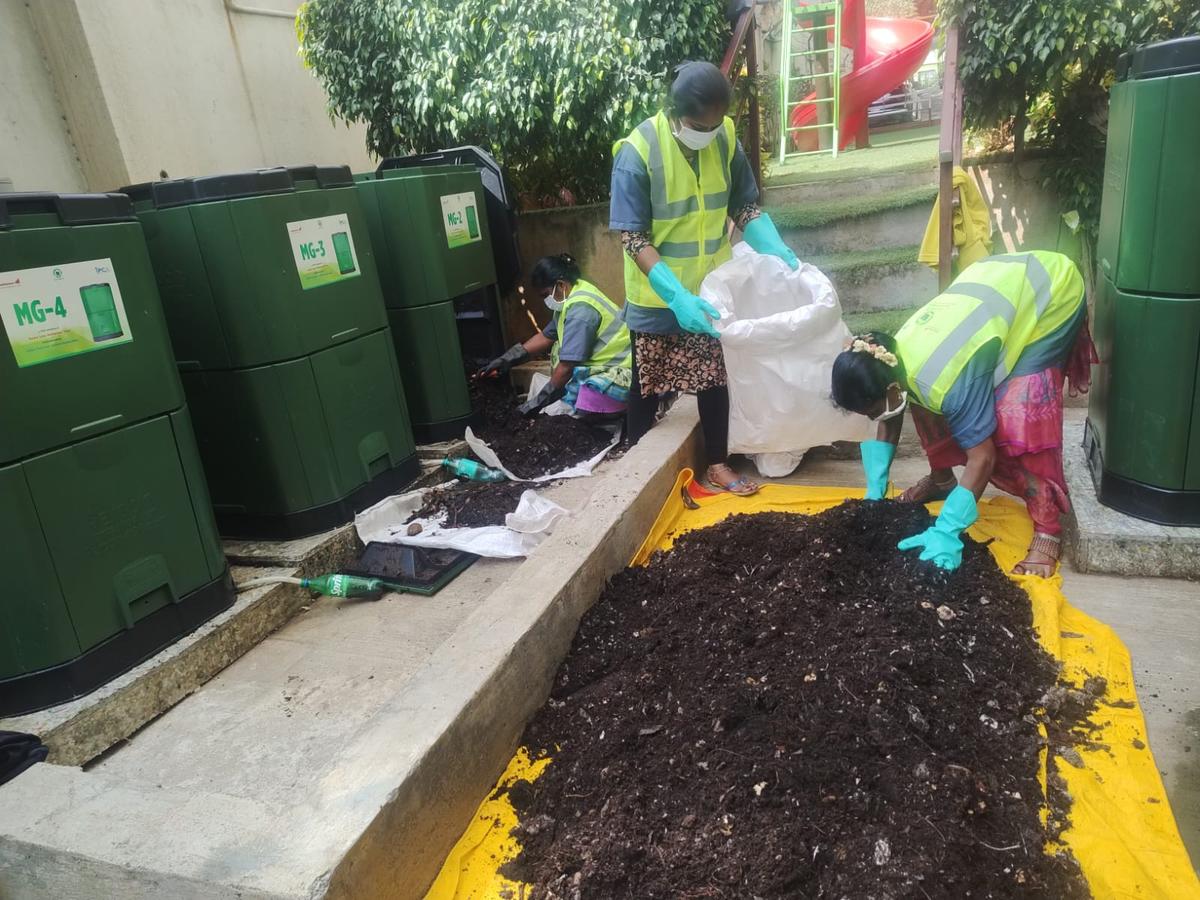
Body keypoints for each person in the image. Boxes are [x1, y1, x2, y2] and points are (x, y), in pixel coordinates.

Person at [830, 250, 1098, 577]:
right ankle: (942, 480)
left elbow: (982, 458)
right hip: (998, 284)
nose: (875, 419)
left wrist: (948, 529)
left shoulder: (946, 380)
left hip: (1051, 291)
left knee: (1018, 415)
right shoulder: (890, 358)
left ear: (888, 391)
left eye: (873, 411)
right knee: (925, 400)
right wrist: (875, 490)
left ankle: (1047, 527)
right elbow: (892, 410)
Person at [610, 60, 798, 495]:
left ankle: (717, 463)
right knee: (647, 382)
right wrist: (676, 297)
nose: (708, 132)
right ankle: (636, 465)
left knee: (716, 376)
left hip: (711, 288)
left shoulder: (725, 139)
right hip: (658, 294)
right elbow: (633, 237)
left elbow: (745, 207)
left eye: (716, 124)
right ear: (675, 113)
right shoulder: (637, 152)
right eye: (699, 125)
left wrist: (777, 246)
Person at [480, 253, 632, 418]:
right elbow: (545, 337)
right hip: (606, 367)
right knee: (558, 349)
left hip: (623, 374)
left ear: (560, 285)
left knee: (588, 404)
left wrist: (534, 404)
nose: (546, 300)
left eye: (546, 295)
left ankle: (617, 411)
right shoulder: (574, 294)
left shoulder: (580, 311)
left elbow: (566, 368)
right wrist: (505, 360)